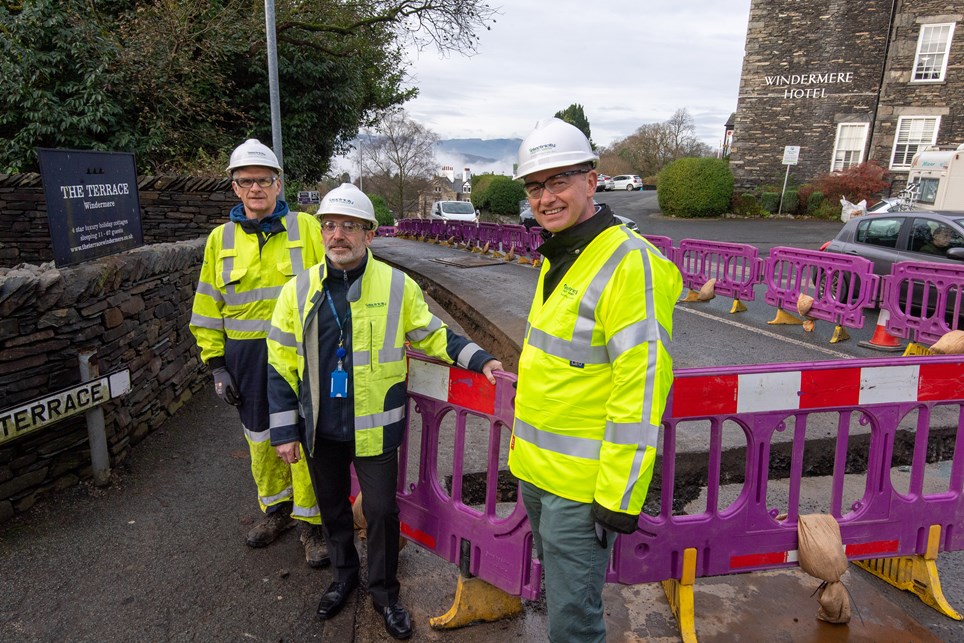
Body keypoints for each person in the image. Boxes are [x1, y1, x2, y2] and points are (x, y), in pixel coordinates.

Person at [265, 183, 503, 640]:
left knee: (380, 512)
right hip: (319, 429)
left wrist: (482, 358)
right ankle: (343, 578)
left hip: (375, 430)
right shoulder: (297, 292)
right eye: (330, 225)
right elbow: (279, 365)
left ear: (369, 234)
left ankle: (384, 593)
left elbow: (434, 335)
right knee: (332, 510)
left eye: (349, 227)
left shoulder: (396, 285)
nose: (338, 235)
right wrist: (284, 432)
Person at [507, 118, 682, 643]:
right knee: (563, 601)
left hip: (581, 491)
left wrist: (618, 496)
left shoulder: (629, 264)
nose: (546, 196)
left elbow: (643, 387)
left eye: (559, 180)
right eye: (535, 186)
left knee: (574, 620)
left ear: (592, 180)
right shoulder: (562, 253)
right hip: (539, 476)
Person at [190, 139, 329, 567]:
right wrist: (216, 366)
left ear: (278, 184)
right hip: (245, 360)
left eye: (263, 180)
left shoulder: (306, 227)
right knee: (260, 437)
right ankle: (277, 512)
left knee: (306, 436)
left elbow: (343, 273)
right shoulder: (221, 238)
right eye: (246, 181)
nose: (255, 189)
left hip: (302, 353)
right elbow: (207, 305)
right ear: (234, 188)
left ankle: (313, 524)